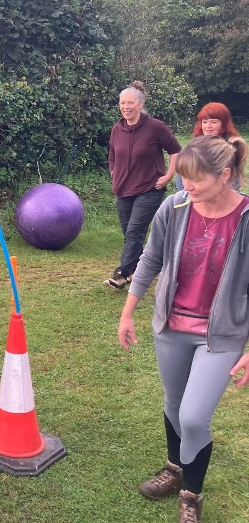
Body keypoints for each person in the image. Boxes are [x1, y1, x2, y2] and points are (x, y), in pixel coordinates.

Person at [118, 135, 249, 523]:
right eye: (184, 178)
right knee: (174, 405)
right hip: (171, 327)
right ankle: (175, 470)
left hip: (221, 334)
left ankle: (192, 495)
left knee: (193, 416)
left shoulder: (245, 217)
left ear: (225, 175)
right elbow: (150, 258)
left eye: (196, 180)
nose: (186, 187)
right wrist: (128, 313)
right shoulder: (174, 207)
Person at [105, 80, 182, 290]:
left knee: (134, 233)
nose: (126, 107)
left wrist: (168, 175)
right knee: (130, 233)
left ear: (140, 104)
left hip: (149, 189)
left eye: (130, 103)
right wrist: (113, 172)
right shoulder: (116, 129)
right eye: (122, 103)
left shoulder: (156, 127)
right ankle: (139, 270)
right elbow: (112, 154)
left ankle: (121, 274)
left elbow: (176, 150)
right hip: (123, 189)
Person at [175, 102, 241, 190]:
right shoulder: (194, 145)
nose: (208, 126)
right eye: (204, 122)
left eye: (213, 122)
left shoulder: (231, 146)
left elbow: (233, 179)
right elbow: (181, 174)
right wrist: (185, 194)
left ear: (224, 124)